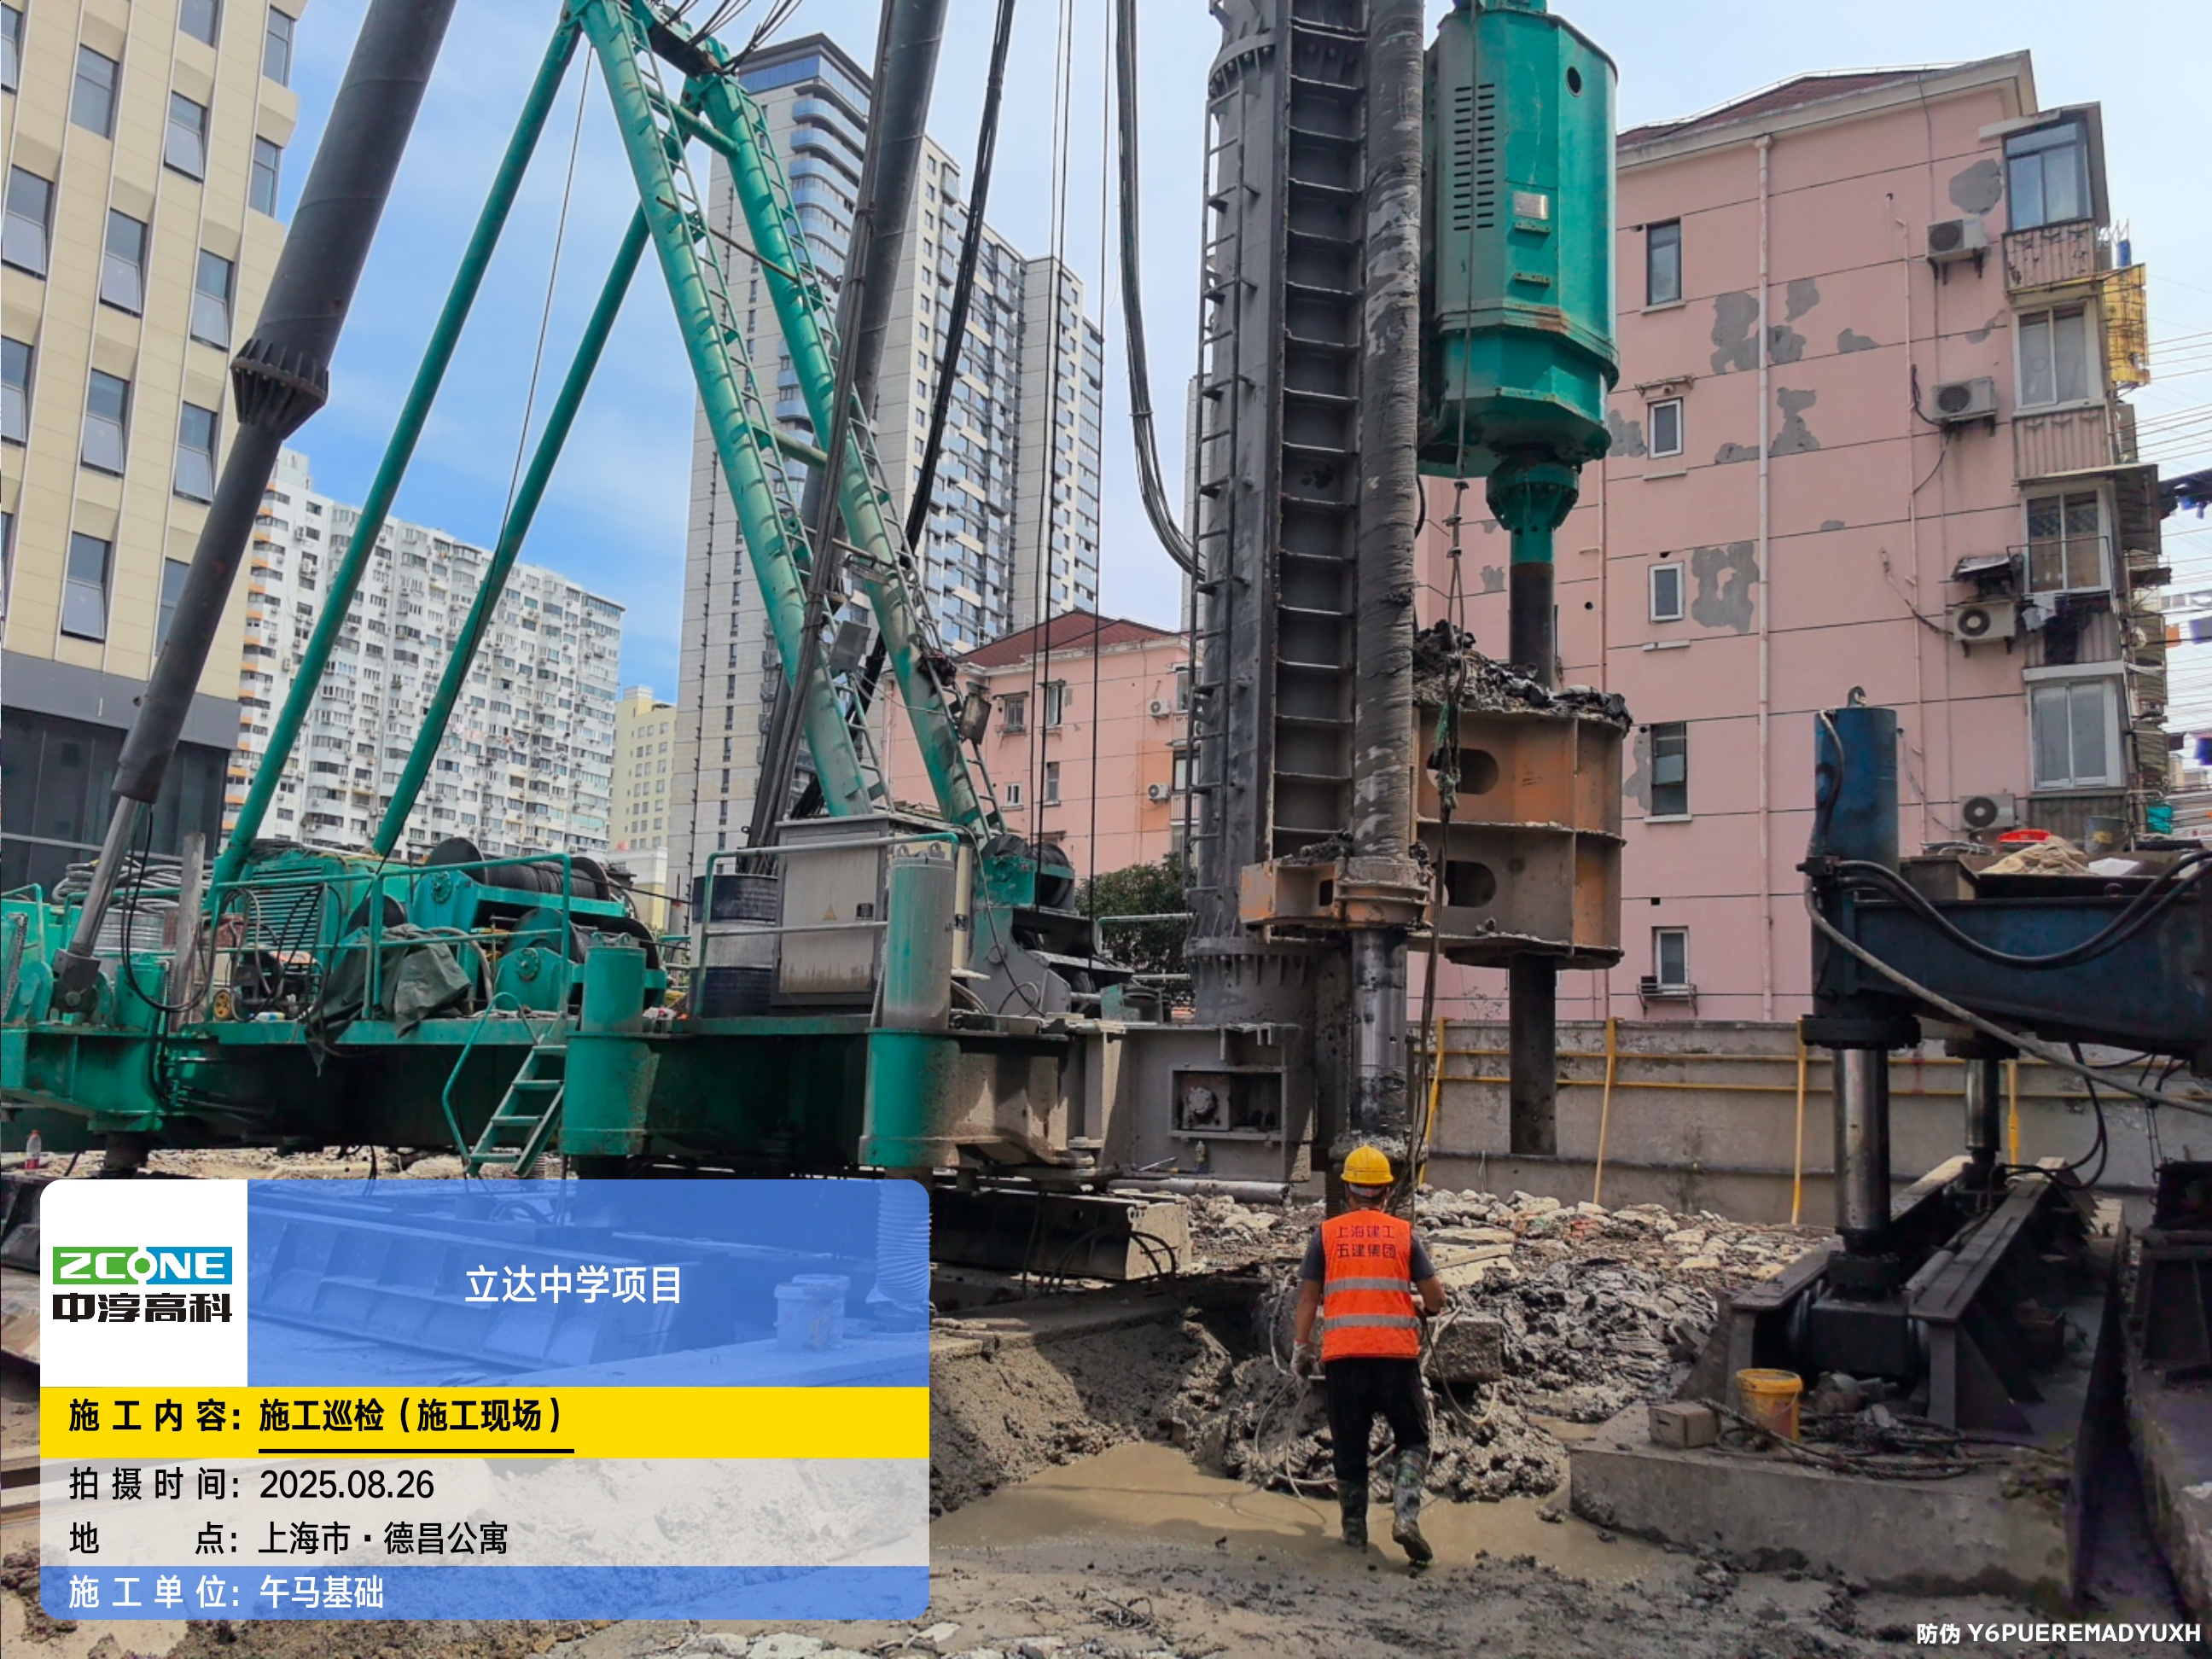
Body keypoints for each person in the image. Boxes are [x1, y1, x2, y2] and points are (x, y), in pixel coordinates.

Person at [1290, 1144, 1447, 1562]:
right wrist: (1424, 1307)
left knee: (1349, 1451)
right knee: (1413, 1439)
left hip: (1344, 1361)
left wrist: (1302, 1349)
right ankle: (1406, 1517)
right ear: (1387, 1192)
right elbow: (1436, 1297)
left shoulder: (1326, 1235)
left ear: (1347, 1191)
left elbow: (1307, 1300)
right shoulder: (1403, 1234)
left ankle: (1354, 1538)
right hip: (1396, 1358)